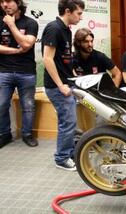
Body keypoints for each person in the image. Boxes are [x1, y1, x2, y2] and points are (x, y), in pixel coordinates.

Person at [42, 0, 84, 171]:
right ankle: (61, 158)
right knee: (68, 123)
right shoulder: (54, 28)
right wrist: (60, 85)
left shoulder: (66, 30)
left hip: (66, 84)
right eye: (79, 13)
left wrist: (74, 78)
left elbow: (64, 60)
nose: (81, 17)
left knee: (68, 122)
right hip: (57, 87)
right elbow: (47, 59)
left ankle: (68, 152)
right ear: (68, 11)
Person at [0, 0, 38, 148]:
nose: (4, 4)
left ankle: (27, 134)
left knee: (28, 106)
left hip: (26, 72)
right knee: (1, 105)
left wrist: (11, 24)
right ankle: (5, 134)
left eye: (8, 1)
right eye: (2, 1)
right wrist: (15, 51)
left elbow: (27, 44)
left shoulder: (30, 23)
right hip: (4, 71)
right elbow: (20, 47)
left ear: (18, 3)